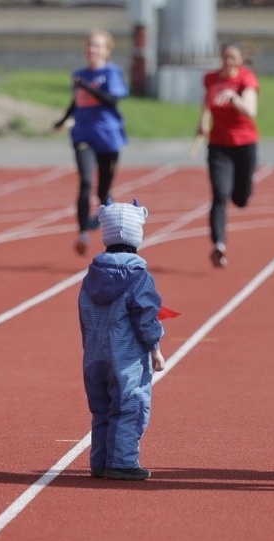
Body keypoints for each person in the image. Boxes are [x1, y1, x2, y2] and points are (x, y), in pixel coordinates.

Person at [78, 199, 166, 480]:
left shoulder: (90, 277)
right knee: (130, 407)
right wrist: (155, 347)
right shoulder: (140, 278)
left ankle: (100, 461)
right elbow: (146, 318)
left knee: (101, 409)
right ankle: (123, 463)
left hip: (93, 356)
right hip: (126, 358)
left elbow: (84, 315)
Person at [54, 28, 129, 257]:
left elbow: (113, 101)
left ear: (107, 50)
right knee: (86, 182)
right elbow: (76, 102)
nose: (92, 50)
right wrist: (63, 119)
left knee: (103, 191)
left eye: (97, 46)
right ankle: (82, 233)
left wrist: (87, 86)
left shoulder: (112, 73)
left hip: (108, 137)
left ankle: (104, 223)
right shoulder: (79, 74)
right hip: (83, 135)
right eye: (89, 45)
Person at [195, 42, 259, 269]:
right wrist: (203, 122)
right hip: (218, 145)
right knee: (219, 193)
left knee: (240, 199)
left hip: (244, 144)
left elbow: (252, 111)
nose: (228, 61)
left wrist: (235, 97)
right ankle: (219, 244)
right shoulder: (211, 78)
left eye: (232, 57)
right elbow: (207, 101)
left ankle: (244, 188)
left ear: (240, 60)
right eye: (225, 56)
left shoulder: (246, 79)